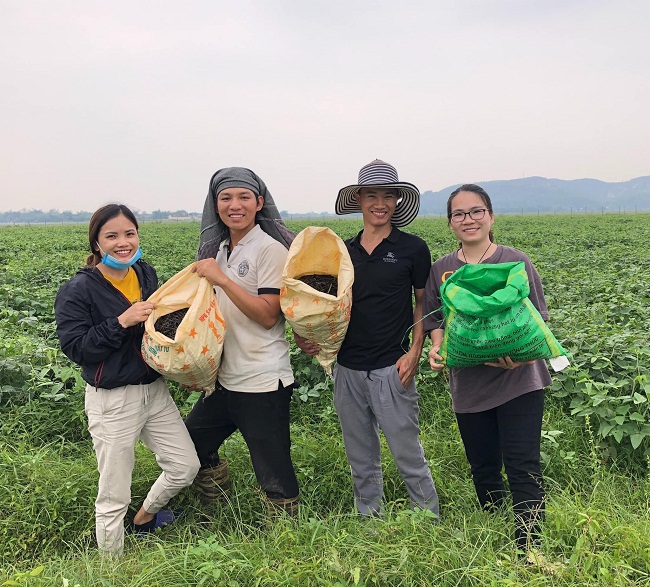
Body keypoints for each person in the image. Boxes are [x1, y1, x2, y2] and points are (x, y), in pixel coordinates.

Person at [54, 204, 200, 556]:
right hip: (113, 400)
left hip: (154, 390)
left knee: (185, 466)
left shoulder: (144, 273)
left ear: (138, 235)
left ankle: (143, 519)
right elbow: (77, 348)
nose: (123, 242)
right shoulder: (78, 289)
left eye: (129, 233)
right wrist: (121, 321)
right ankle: (112, 567)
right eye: (112, 236)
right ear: (97, 243)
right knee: (113, 492)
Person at [297, 159, 439, 517]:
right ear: (359, 199)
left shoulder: (413, 248)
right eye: (372, 195)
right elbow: (322, 304)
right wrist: (308, 338)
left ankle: (428, 518)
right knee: (360, 456)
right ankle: (369, 521)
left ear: (397, 201)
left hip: (392, 366)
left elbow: (422, 302)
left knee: (408, 452)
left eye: (388, 196)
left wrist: (414, 353)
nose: (380, 203)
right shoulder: (340, 252)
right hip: (347, 368)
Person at [424, 184, 552, 552]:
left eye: (476, 211)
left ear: (491, 216)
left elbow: (539, 318)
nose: (468, 220)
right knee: (483, 467)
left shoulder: (515, 261)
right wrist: (436, 349)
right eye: (459, 214)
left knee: (522, 464)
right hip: (469, 387)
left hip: (520, 383)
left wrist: (524, 356)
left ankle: (529, 547)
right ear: (450, 223)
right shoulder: (442, 269)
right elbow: (435, 321)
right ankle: (495, 533)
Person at [184, 167, 300, 517]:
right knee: (192, 443)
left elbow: (268, 315)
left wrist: (222, 279)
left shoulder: (270, 249)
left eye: (244, 197)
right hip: (223, 378)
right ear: (215, 205)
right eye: (226, 198)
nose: (235, 205)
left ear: (259, 203)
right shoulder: (218, 250)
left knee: (273, 466)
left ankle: (286, 534)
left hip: (262, 379)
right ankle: (217, 508)